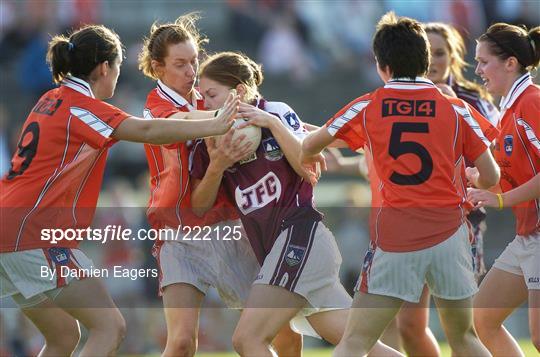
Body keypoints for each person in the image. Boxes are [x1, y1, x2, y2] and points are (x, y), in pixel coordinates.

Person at [0, 24, 237, 357]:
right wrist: (215, 123)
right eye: (118, 69)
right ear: (103, 68)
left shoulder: (51, 99)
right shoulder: (81, 107)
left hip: (10, 228)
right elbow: (147, 128)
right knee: (111, 327)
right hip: (33, 234)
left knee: (64, 337)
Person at [301, 12, 500, 357]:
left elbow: (310, 146)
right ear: (425, 62)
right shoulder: (456, 109)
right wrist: (471, 180)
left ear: (381, 65)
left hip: (395, 239)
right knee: (465, 338)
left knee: (355, 342)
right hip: (450, 235)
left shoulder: (368, 105)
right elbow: (492, 177)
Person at [190, 51, 401, 356]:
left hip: (300, 239)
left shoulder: (275, 111)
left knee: (247, 339)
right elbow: (199, 206)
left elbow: (309, 170)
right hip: (284, 252)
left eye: (211, 95)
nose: (205, 103)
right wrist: (217, 165)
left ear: (237, 92)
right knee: (360, 346)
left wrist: (273, 125)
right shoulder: (210, 137)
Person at [137, 14, 301, 356]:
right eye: (180, 64)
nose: (191, 71)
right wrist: (229, 113)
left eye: (194, 60)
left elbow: (272, 118)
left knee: (283, 331)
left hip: (228, 227)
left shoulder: (210, 97)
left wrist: (327, 136)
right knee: (181, 342)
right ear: (158, 67)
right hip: (177, 233)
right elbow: (182, 122)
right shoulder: (157, 107)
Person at [394, 21, 501, 357]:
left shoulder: (473, 99)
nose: (431, 60)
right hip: (411, 223)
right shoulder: (399, 96)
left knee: (461, 331)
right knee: (408, 326)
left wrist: (455, 107)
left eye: (439, 52)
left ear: (453, 57)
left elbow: (494, 161)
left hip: (460, 223)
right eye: (426, 52)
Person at [469, 22, 540, 355]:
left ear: (510, 63)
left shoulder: (532, 102)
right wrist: (472, 180)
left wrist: (498, 198)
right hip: (528, 236)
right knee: (483, 318)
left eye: (484, 62)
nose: (479, 70)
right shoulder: (508, 111)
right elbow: (510, 176)